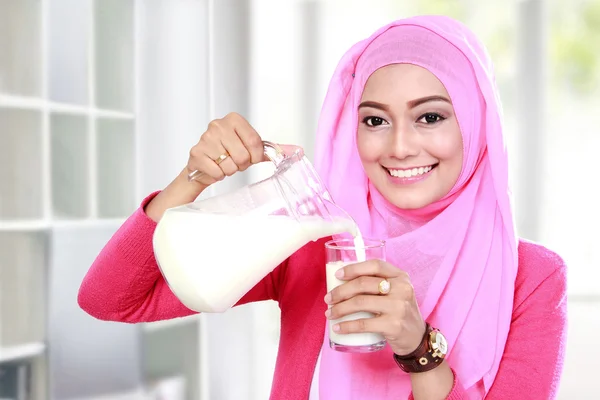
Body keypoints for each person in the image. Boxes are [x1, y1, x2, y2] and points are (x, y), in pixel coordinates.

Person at [78, 15, 567, 400]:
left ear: (477, 123)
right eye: (375, 120)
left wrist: (420, 349)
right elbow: (112, 298)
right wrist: (195, 178)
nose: (398, 146)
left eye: (430, 116)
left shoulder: (533, 280)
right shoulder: (316, 244)